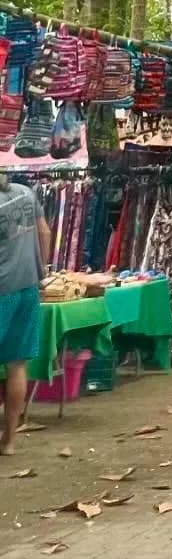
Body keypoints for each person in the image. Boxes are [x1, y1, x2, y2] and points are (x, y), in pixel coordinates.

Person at [0, 172, 50, 458]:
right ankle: (9, 440)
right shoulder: (25, 192)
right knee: (17, 364)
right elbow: (44, 232)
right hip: (27, 286)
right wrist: (41, 272)